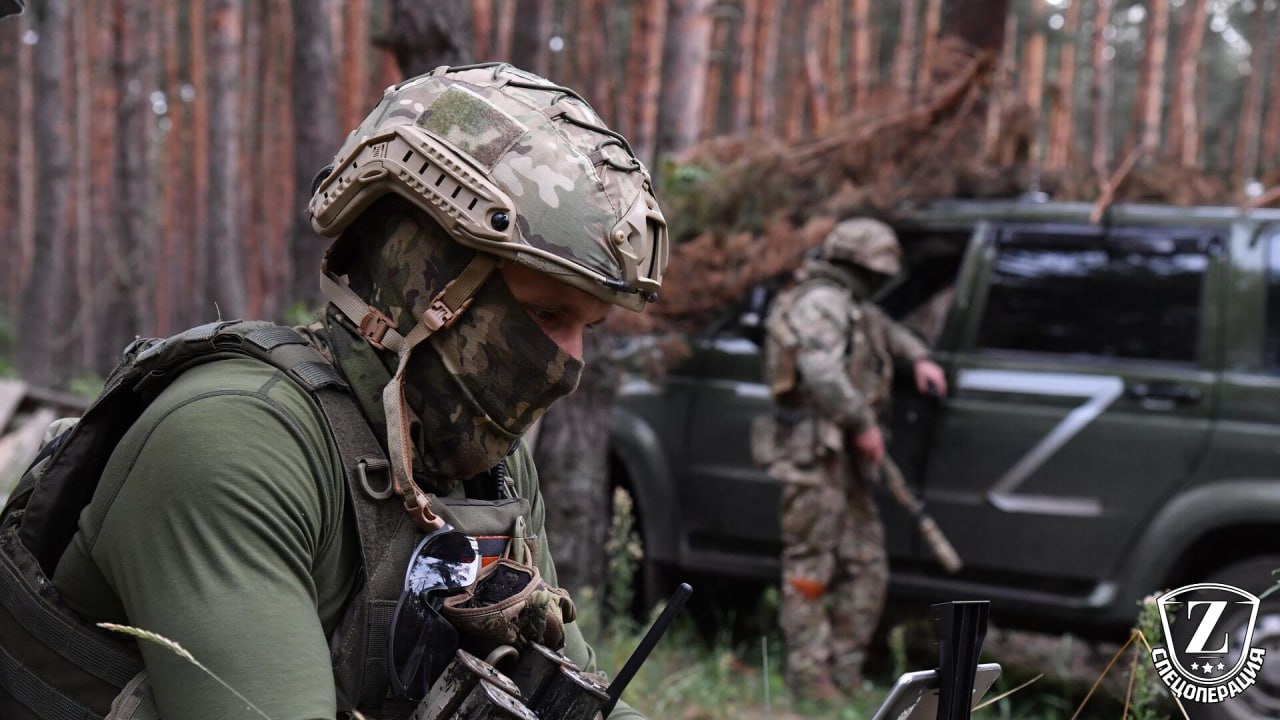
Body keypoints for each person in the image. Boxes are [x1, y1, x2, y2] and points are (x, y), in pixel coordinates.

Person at [12, 64, 666, 720]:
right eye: (547, 314)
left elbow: (578, 698)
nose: (568, 364)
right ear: (422, 280)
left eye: (588, 328)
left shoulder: (489, 473)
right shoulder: (236, 443)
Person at [759, 218, 947, 699]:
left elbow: (883, 329)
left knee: (866, 566)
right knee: (810, 565)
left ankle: (844, 672)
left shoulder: (850, 303)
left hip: (845, 463)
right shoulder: (821, 302)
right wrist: (862, 423)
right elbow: (819, 369)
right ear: (860, 266)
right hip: (816, 455)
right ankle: (809, 678)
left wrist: (919, 357)